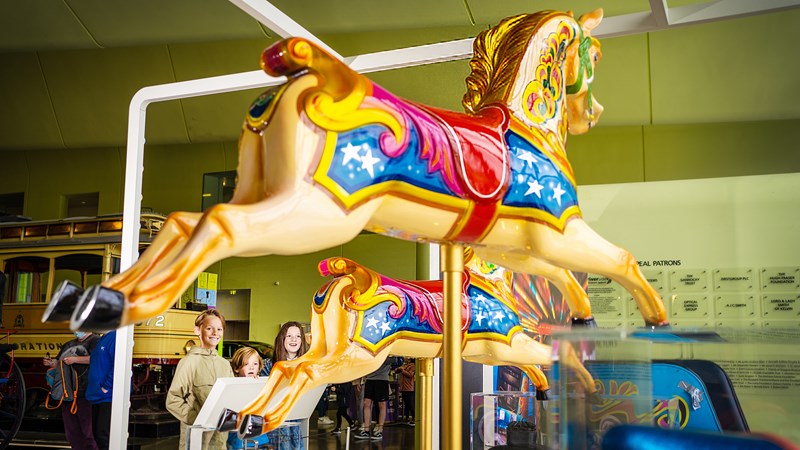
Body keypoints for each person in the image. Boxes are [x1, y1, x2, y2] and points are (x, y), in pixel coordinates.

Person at [166, 309, 234, 450]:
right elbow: (173, 400)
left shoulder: (225, 364)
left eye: (219, 329)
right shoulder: (188, 362)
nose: (215, 333)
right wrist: (198, 419)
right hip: (196, 439)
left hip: (220, 439)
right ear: (198, 330)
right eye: (209, 328)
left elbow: (232, 398)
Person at [44, 330, 100, 450]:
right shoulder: (68, 344)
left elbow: (98, 359)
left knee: (89, 432)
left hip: (86, 393)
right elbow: (59, 362)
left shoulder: (96, 341)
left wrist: (75, 360)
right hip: (68, 393)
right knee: (72, 433)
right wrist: (51, 362)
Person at [259, 322, 308, 450]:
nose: (294, 340)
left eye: (298, 336)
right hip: (275, 426)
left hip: (296, 424)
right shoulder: (269, 365)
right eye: (289, 336)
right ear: (282, 339)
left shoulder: (306, 366)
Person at [227, 347, 269, 450]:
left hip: (262, 440)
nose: (251, 368)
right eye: (246, 364)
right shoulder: (232, 387)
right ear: (237, 368)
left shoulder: (263, 386)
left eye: (255, 364)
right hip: (239, 441)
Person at [354, 357, 401, 441]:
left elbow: (394, 359)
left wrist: (378, 358)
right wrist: (359, 380)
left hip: (382, 380)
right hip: (369, 379)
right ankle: (366, 430)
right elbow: (364, 363)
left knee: (382, 404)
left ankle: (380, 430)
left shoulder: (388, 352)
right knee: (366, 403)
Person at [86, 331, 116, 450]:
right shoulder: (103, 339)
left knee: (103, 436)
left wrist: (106, 386)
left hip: (107, 396)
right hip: (97, 395)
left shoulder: (115, 337)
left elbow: (118, 364)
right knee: (98, 435)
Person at [395, 357, 416, 426]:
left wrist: (402, 371)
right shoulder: (404, 365)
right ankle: (406, 417)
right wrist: (399, 369)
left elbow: (410, 375)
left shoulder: (413, 366)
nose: (404, 358)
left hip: (409, 387)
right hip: (403, 387)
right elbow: (397, 371)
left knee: (410, 403)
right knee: (406, 404)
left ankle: (414, 418)